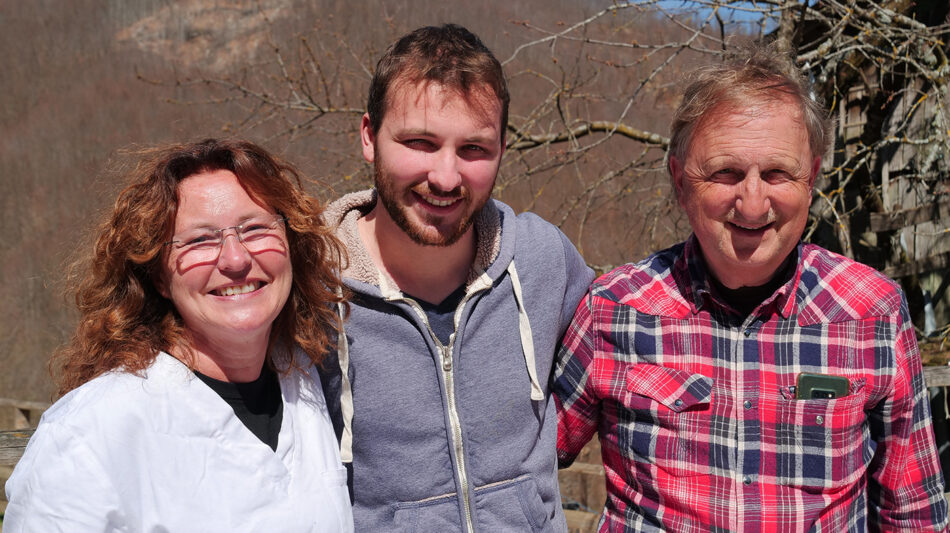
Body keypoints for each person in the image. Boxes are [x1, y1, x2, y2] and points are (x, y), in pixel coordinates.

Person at [554, 44, 949, 532]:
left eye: (778, 173)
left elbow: (914, 513)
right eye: (726, 173)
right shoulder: (613, 310)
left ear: (813, 178)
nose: (753, 202)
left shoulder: (873, 314)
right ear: (680, 181)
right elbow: (520, 473)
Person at [320, 24, 594, 531]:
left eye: (473, 149)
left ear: (502, 150)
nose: (446, 177)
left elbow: (621, 350)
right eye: (420, 142)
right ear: (368, 136)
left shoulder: (540, 258)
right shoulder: (308, 290)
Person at [4, 139, 353, 532]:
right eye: (200, 240)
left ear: (292, 243)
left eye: (255, 229)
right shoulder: (90, 433)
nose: (235, 259)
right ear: (159, 277)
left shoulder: (313, 379)